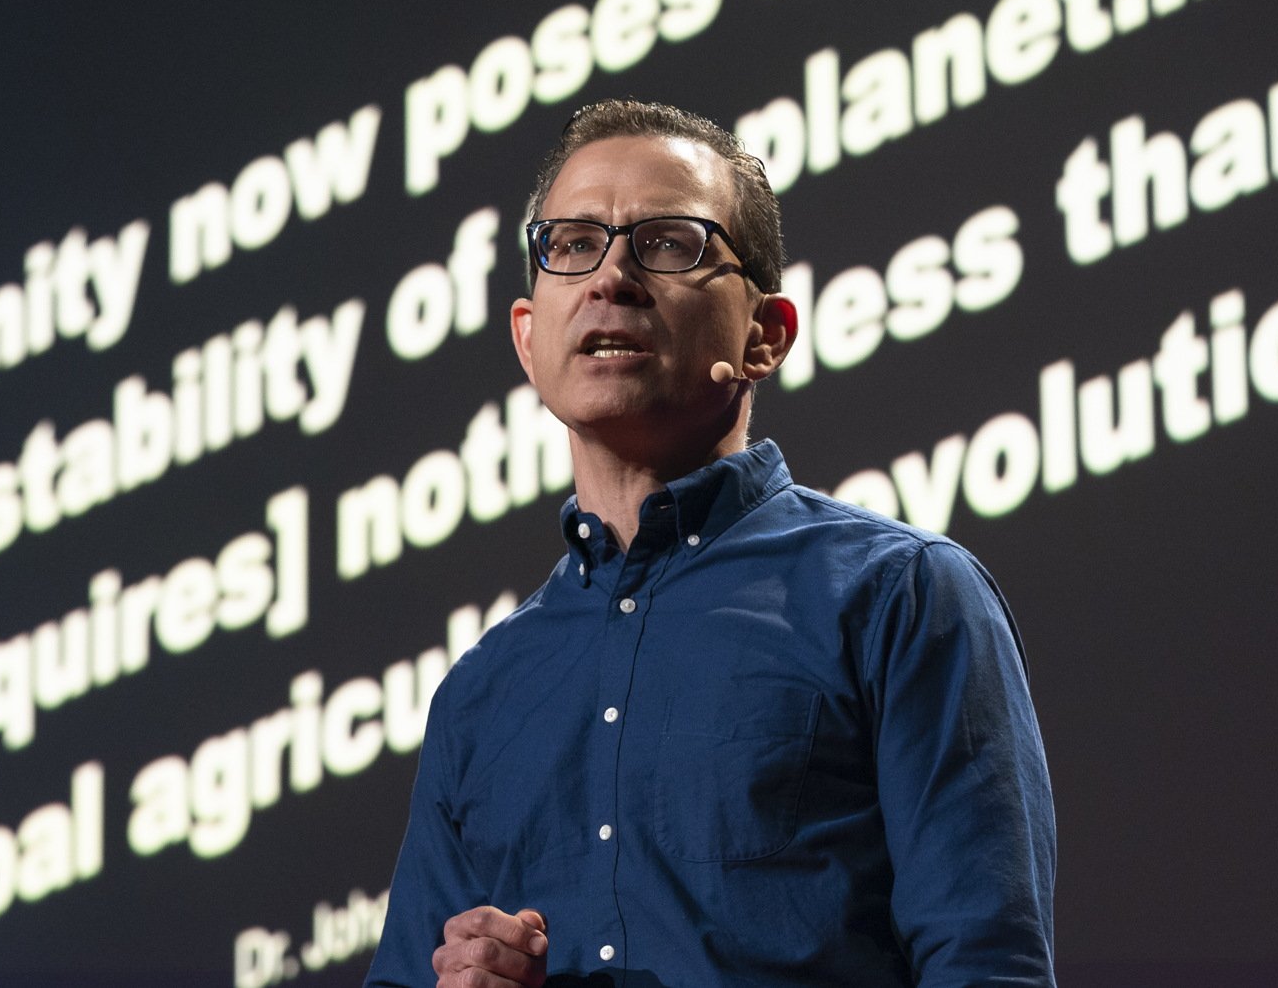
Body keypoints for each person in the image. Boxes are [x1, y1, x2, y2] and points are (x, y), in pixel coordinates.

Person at [365, 99, 1055, 987]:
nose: (611, 276)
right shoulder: (481, 694)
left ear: (765, 334)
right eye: (572, 243)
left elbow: (984, 964)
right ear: (530, 342)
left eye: (668, 242)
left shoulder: (902, 596)